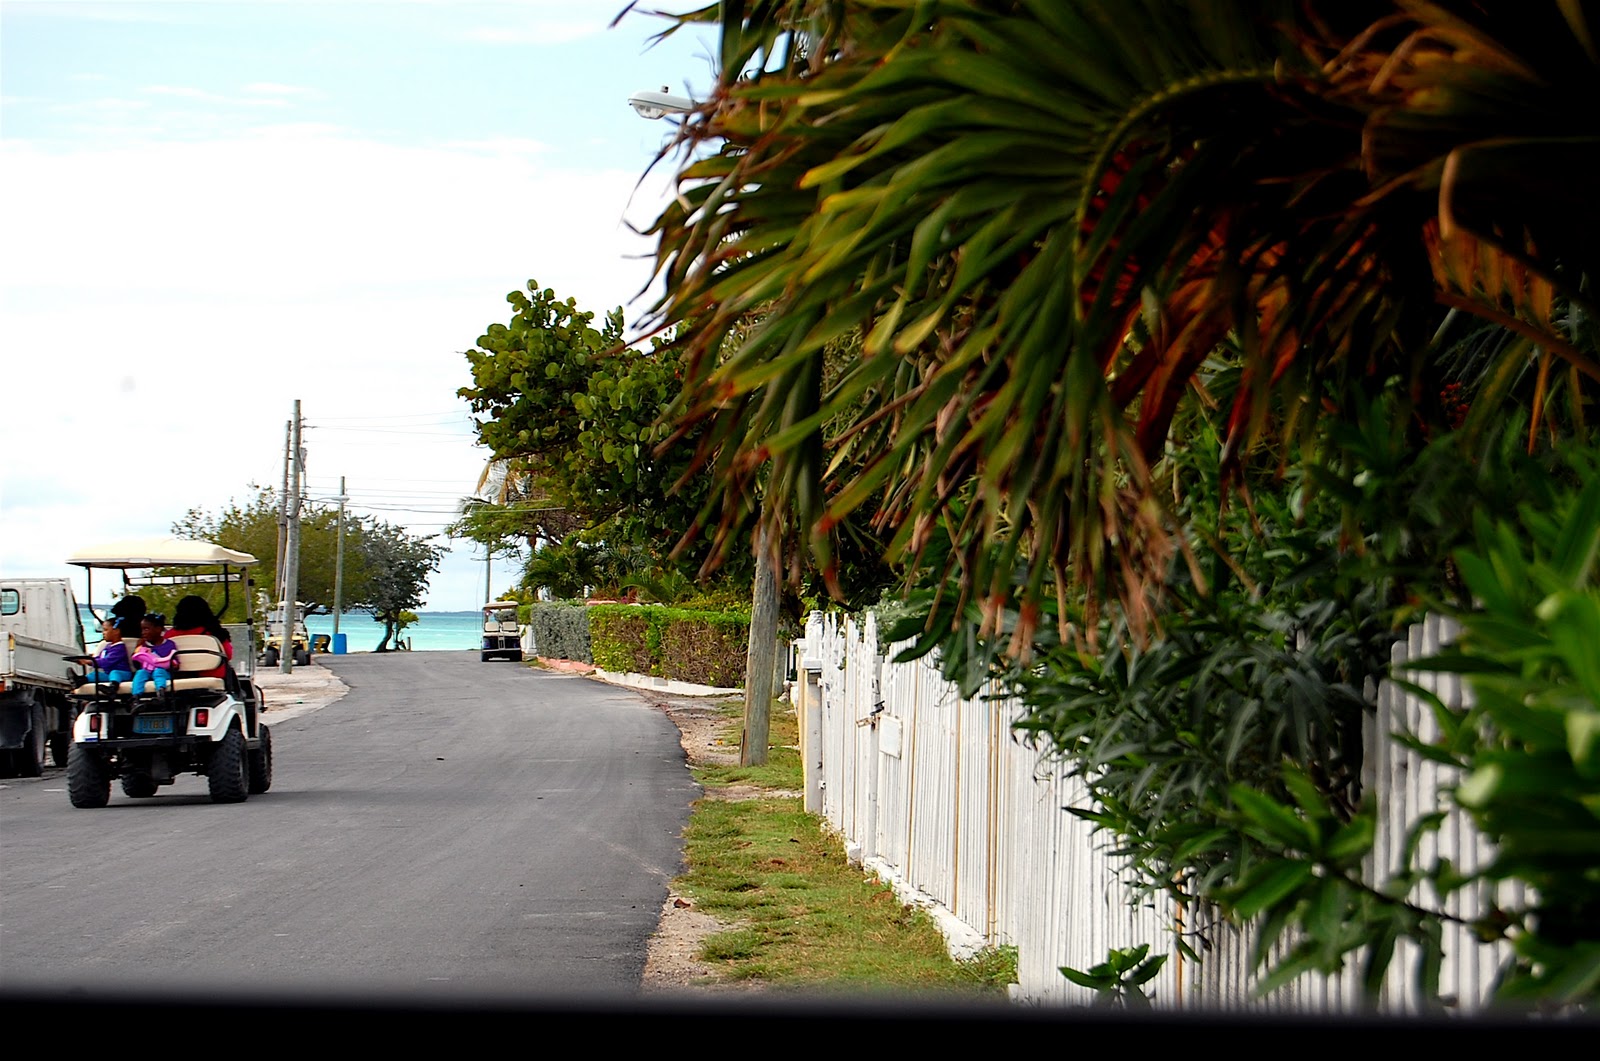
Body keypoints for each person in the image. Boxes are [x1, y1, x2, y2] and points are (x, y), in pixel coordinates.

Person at [165, 595, 233, 679]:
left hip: (179, 678)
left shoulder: (169, 635)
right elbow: (228, 655)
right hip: (212, 676)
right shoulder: (215, 632)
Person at [70, 616, 133, 688]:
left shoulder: (119, 648)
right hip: (108, 674)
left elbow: (106, 662)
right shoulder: (108, 647)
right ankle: (80, 680)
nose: (103, 633)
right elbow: (99, 658)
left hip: (123, 674)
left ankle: (113, 687)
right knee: (95, 674)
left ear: (116, 631)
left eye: (105, 630)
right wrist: (87, 660)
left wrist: (89, 662)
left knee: (115, 673)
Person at [130, 613, 178, 697]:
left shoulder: (169, 644)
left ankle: (160, 693)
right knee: (140, 673)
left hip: (164, 673)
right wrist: (137, 650)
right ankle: (136, 697)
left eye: (146, 629)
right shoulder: (144, 645)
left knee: (158, 671)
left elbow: (174, 664)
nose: (143, 633)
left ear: (158, 629)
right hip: (147, 672)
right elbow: (136, 665)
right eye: (142, 629)